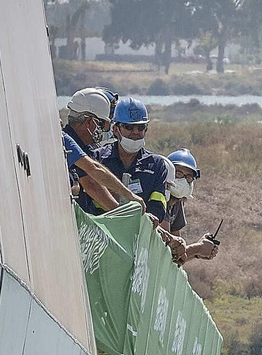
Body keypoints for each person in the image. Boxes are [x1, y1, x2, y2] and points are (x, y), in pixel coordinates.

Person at [87, 97, 186, 259]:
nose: (135, 132)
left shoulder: (156, 166)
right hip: (100, 241)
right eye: (129, 127)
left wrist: (145, 220)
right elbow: (89, 200)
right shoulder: (97, 160)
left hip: (138, 245)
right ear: (116, 129)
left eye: (140, 127)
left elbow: (157, 207)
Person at [62, 87, 137, 214]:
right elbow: (92, 181)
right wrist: (122, 215)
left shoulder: (87, 149)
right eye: (102, 126)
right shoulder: (68, 144)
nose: (104, 132)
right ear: (90, 122)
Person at [165, 149, 219, 265]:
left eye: (188, 177)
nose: (183, 180)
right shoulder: (160, 199)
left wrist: (197, 254)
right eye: (178, 173)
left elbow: (175, 258)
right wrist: (197, 248)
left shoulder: (177, 204)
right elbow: (164, 249)